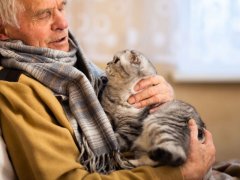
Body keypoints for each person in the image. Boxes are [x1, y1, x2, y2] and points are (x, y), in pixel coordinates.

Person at [0, 0, 216, 179]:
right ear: (3, 29)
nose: (63, 23)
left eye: (62, 7)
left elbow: (123, 128)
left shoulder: (74, 68)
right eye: (43, 14)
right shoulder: (17, 90)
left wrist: (158, 101)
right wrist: (180, 174)